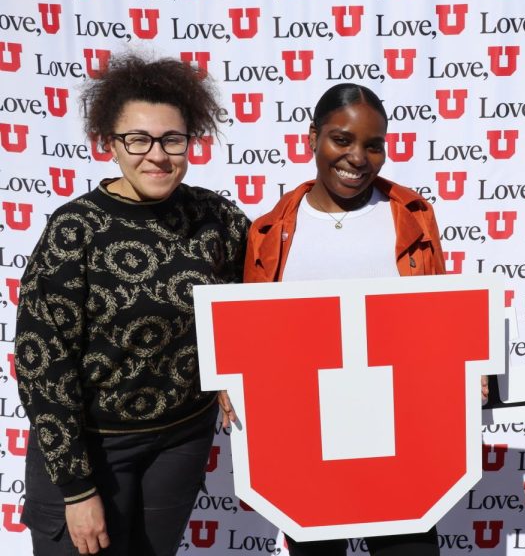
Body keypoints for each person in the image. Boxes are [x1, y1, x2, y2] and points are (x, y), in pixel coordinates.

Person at [14, 55, 249, 555]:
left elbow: (249, 300)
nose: (157, 155)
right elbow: (42, 363)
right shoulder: (74, 229)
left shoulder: (215, 217)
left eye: (172, 140)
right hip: (89, 448)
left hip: (179, 441)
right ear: (111, 145)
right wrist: (77, 491)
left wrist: (236, 368)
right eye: (137, 140)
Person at [240, 83, 445, 556]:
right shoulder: (270, 230)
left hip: (400, 435)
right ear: (312, 137)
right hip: (306, 440)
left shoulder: (412, 216)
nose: (358, 157)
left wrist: (463, 372)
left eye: (374, 145)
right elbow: (255, 334)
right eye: (342, 140)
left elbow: (436, 316)